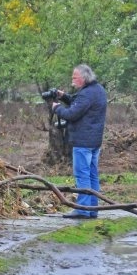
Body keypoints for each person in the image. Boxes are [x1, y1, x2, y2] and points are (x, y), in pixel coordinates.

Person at [52, 64, 107, 219]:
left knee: (82, 175)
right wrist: (64, 97)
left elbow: (72, 114)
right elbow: (80, 105)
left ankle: (82, 210)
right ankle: (92, 209)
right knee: (92, 175)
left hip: (83, 142)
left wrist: (57, 108)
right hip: (94, 141)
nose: (72, 80)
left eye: (74, 77)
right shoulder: (98, 90)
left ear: (83, 78)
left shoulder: (86, 94)